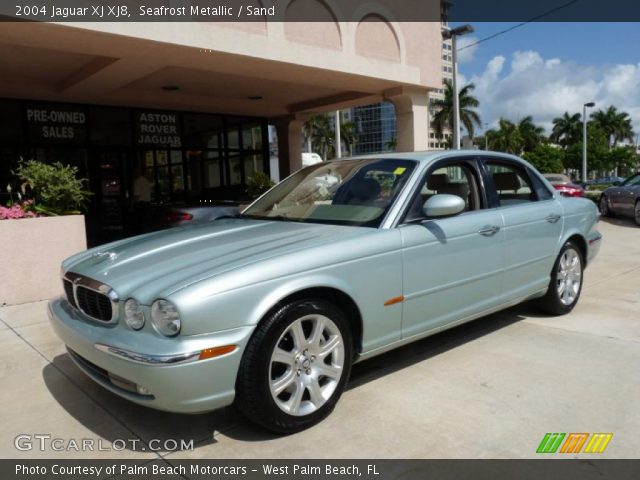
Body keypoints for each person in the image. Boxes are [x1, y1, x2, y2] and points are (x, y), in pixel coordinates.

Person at [131, 168, 152, 233]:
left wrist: (132, 202)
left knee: (140, 223)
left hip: (141, 205)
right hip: (147, 204)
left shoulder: (137, 181)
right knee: (146, 222)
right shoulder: (146, 181)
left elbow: (137, 195)